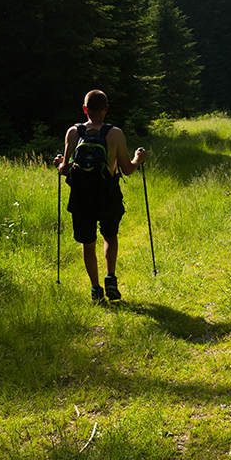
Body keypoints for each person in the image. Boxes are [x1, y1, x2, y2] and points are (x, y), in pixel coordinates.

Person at [54, 89, 145, 302]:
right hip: (108, 194)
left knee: (88, 243)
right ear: (106, 109)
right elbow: (127, 169)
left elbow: (66, 170)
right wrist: (138, 159)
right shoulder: (115, 134)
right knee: (110, 237)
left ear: (85, 109)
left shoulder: (73, 132)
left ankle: (96, 289)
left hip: (81, 197)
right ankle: (110, 277)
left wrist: (58, 164)